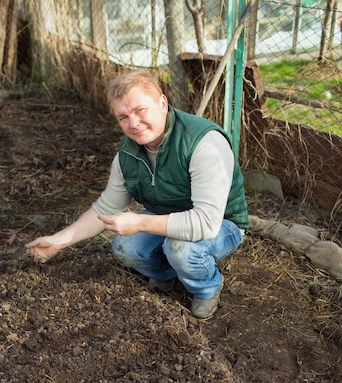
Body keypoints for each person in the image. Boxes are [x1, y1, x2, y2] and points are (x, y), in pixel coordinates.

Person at [26, 69, 249, 319]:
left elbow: (206, 224)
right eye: (123, 117)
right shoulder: (127, 155)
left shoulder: (203, 143)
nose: (133, 124)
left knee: (182, 249)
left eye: (140, 110)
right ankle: (169, 274)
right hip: (168, 216)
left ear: (162, 103)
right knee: (124, 247)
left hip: (221, 224)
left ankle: (207, 287)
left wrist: (140, 221)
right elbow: (105, 209)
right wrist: (59, 241)